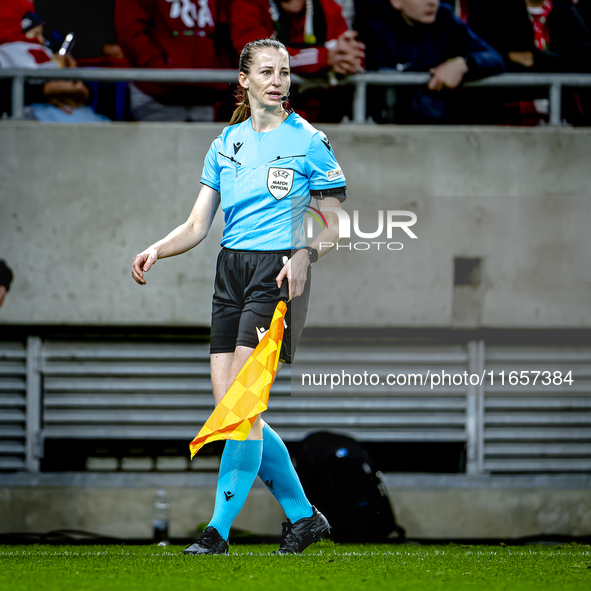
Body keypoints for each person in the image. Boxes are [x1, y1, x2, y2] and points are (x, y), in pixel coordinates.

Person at [131, 38, 346, 554]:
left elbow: (336, 219)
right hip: (229, 271)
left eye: (285, 72)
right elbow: (197, 224)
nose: (278, 81)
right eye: (267, 72)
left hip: (276, 274)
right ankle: (303, 517)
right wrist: (157, 249)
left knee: (240, 410)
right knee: (232, 408)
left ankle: (217, 531)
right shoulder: (226, 141)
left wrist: (305, 254)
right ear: (245, 81)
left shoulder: (309, 140)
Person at [360, 0, 505, 123]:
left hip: (444, 129)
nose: (432, 2)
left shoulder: (444, 19)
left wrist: (463, 64)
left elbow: (493, 57)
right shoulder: (374, 30)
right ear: (396, 1)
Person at [230, 0, 365, 121]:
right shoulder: (248, 4)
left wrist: (348, 59)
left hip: (319, 122)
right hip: (261, 124)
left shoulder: (328, 8)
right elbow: (255, 55)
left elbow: (350, 56)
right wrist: (322, 58)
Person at [115, 0, 234, 122]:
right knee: (159, 140)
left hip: (205, 93)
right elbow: (130, 31)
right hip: (157, 94)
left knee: (203, 140)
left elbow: (229, 27)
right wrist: (161, 70)